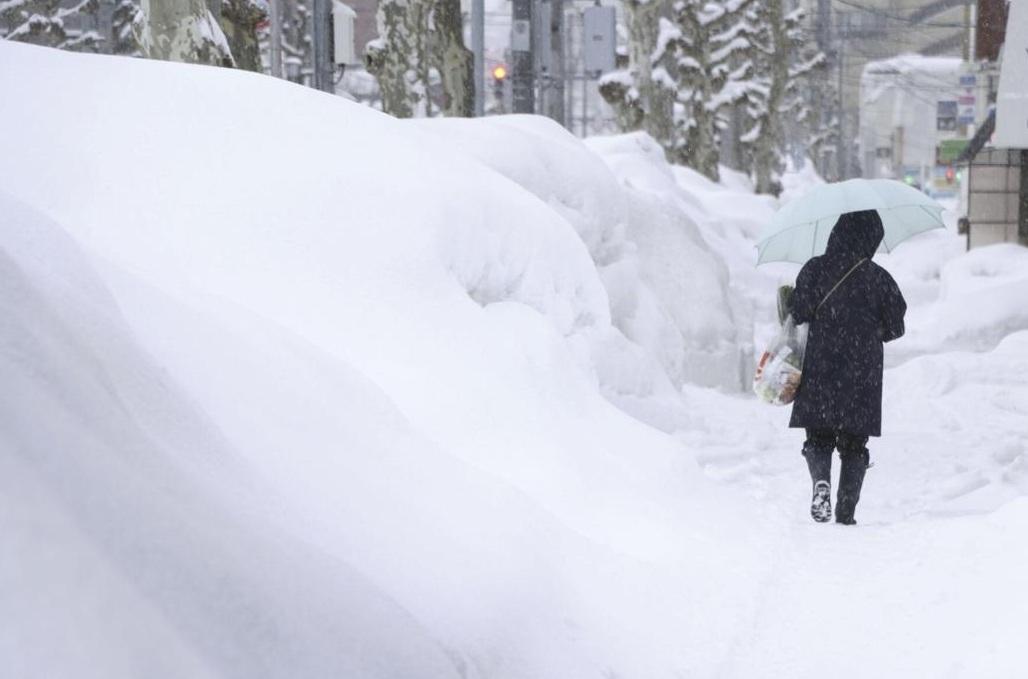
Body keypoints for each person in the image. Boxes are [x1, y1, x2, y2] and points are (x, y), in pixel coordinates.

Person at [787, 210, 907, 525]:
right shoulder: (879, 278)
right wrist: (869, 331)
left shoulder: (814, 269)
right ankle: (846, 512)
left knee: (819, 435)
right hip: (862, 369)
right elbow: (896, 327)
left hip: (820, 363)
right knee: (855, 443)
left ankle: (820, 483)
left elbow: (797, 313)